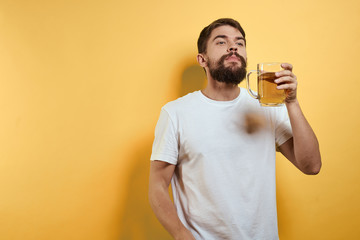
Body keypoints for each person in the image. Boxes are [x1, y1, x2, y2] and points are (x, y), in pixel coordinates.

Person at [148, 18, 321, 240]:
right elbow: (157, 186)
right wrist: (182, 235)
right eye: (221, 42)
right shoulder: (175, 113)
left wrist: (292, 103)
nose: (233, 47)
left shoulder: (267, 105)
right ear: (202, 59)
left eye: (239, 43)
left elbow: (312, 165)